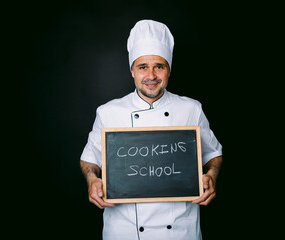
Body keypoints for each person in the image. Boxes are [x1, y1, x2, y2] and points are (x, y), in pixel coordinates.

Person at [80, 19, 223, 240]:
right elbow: (90, 159)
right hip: (124, 232)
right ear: (132, 71)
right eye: (143, 67)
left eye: (159, 66)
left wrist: (211, 175)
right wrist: (92, 180)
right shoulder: (108, 113)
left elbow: (213, 153)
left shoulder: (191, 109)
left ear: (169, 70)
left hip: (179, 232)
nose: (151, 76)